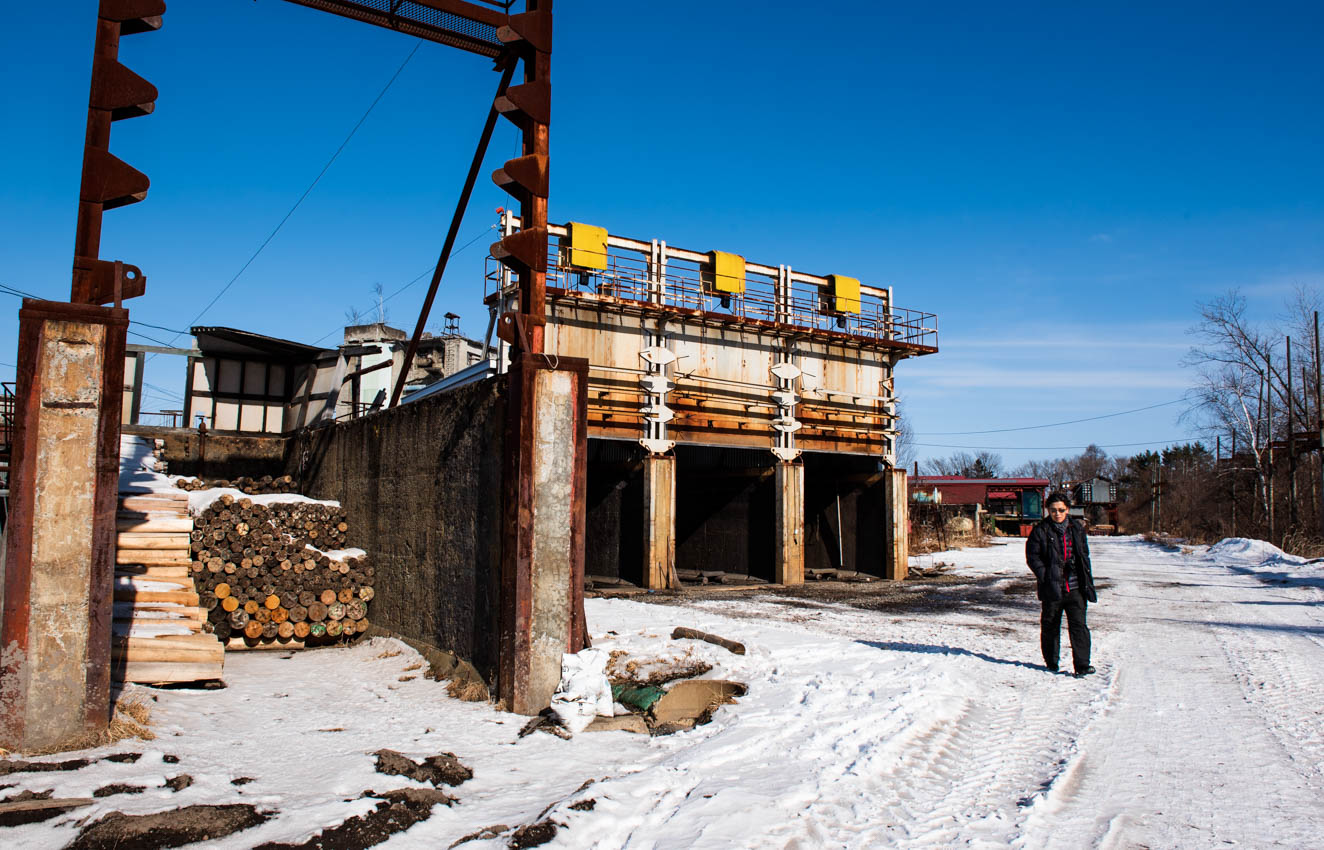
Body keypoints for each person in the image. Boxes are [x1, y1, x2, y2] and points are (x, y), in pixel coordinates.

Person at [1025, 492, 1097, 677]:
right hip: (1052, 588)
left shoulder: (1077, 529)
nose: (1057, 514)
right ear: (1048, 510)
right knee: (1050, 626)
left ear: (1068, 509)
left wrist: (1085, 578)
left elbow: (1084, 555)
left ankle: (1082, 665)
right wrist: (1046, 576)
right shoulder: (1040, 530)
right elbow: (1033, 557)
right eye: (1053, 510)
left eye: (1061, 510)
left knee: (1079, 626)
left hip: (1075, 588)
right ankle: (1051, 662)